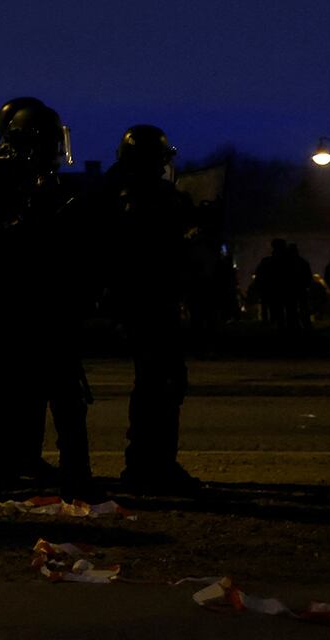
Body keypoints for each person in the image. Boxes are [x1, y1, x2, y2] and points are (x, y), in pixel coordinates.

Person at [0, 101, 97, 497]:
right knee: (7, 394)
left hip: (50, 302)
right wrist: (25, 225)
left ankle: (70, 471)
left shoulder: (50, 184)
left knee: (63, 395)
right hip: (9, 305)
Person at [104, 125, 201, 495]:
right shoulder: (142, 196)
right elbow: (151, 251)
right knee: (159, 384)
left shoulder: (126, 192)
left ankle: (152, 462)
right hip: (149, 300)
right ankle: (150, 465)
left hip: (148, 298)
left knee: (160, 383)